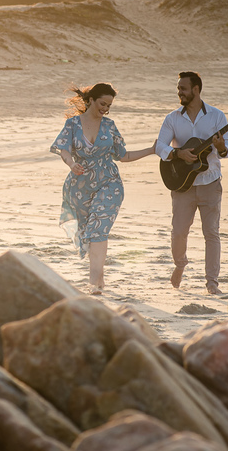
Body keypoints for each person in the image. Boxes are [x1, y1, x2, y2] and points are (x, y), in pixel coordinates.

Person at [51, 82, 156, 293]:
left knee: (99, 227)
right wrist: (72, 164)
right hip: (80, 187)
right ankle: (99, 280)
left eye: (109, 105)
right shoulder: (72, 124)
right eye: (102, 103)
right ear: (90, 100)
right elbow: (63, 149)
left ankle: (93, 283)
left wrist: (152, 150)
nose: (105, 109)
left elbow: (123, 156)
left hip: (109, 183)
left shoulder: (110, 126)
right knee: (90, 233)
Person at [155, 71, 228, 295]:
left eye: (183, 89)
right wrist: (178, 154)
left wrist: (220, 147)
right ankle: (180, 264)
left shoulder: (217, 116)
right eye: (179, 88)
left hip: (210, 182)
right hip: (181, 184)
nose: (179, 92)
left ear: (196, 90)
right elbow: (159, 146)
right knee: (179, 232)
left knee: (212, 233)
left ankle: (212, 283)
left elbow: (226, 151)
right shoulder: (172, 118)